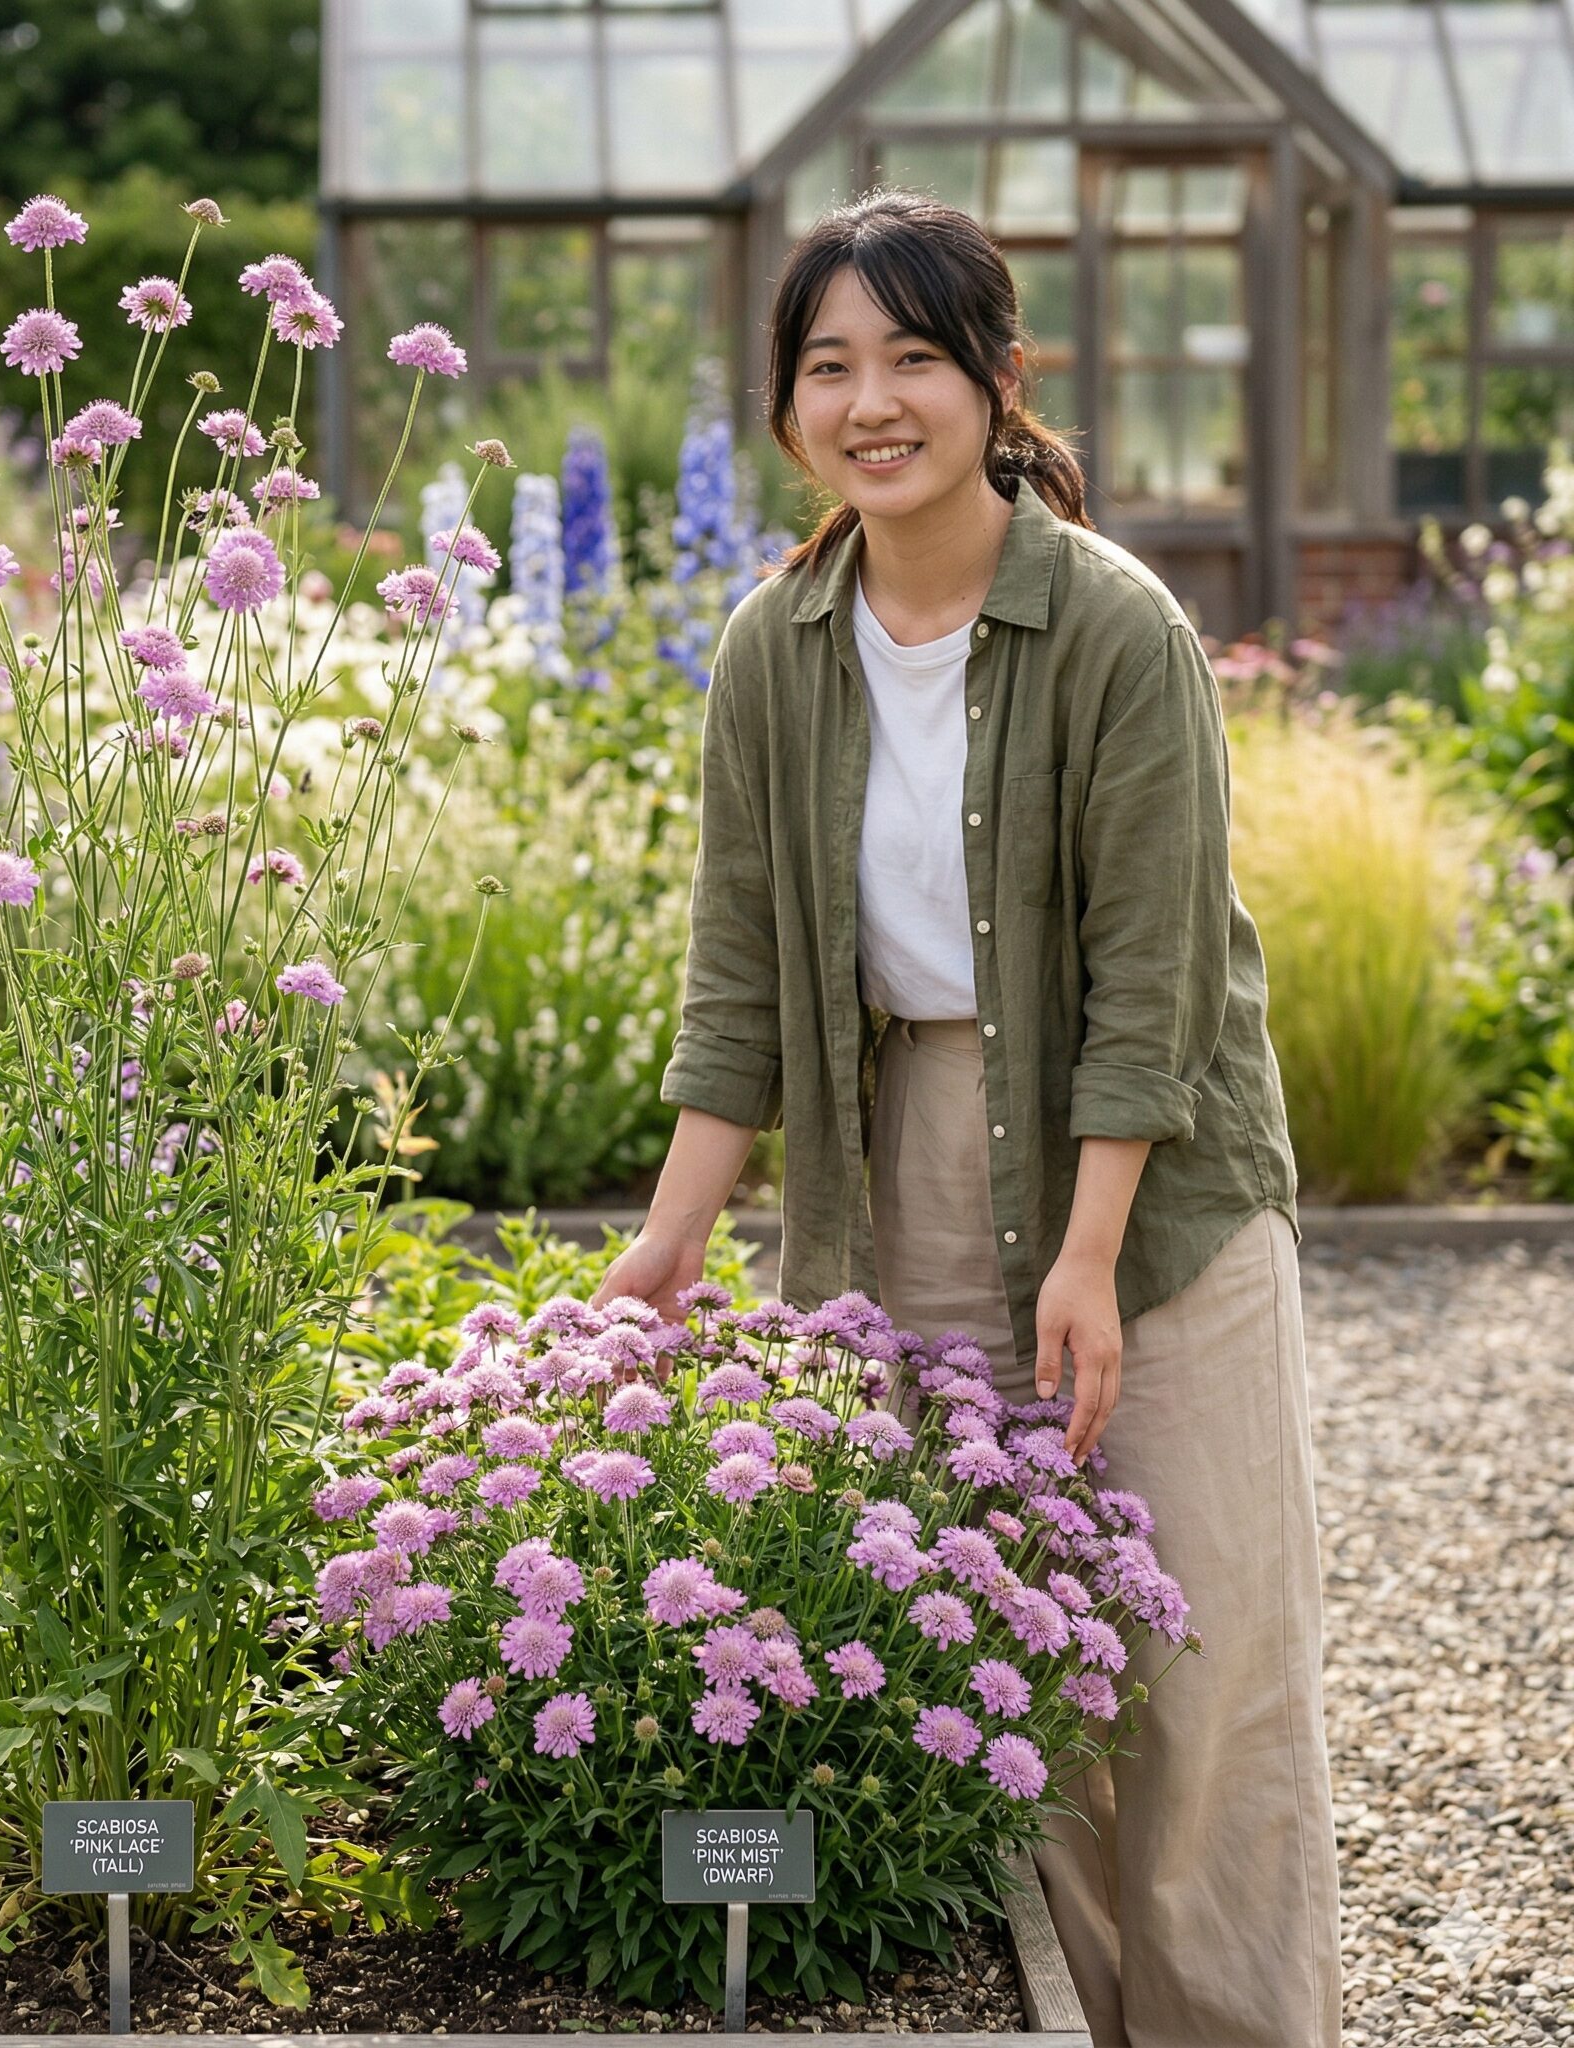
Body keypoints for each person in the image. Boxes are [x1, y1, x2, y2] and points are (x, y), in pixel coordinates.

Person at [589, 189, 1341, 2048]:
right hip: (901, 1161)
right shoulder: (772, 650)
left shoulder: (1116, 628)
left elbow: (1157, 983)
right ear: (787, 407)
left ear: (999, 380)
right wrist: (671, 1242)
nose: (873, 402)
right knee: (1001, 1662)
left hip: (1151, 1185)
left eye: (915, 357)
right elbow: (740, 977)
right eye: (829, 366)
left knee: (1200, 1655)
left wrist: (1089, 1255)